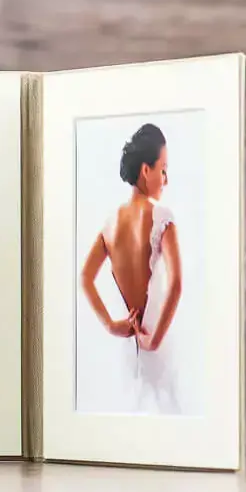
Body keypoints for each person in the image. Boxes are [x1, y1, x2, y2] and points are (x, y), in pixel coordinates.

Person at [80, 123, 182, 415]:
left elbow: (85, 278)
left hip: (127, 349)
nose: (166, 178)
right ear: (145, 170)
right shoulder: (163, 216)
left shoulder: (110, 223)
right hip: (156, 343)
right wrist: (155, 339)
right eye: (163, 169)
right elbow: (176, 284)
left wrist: (112, 325)